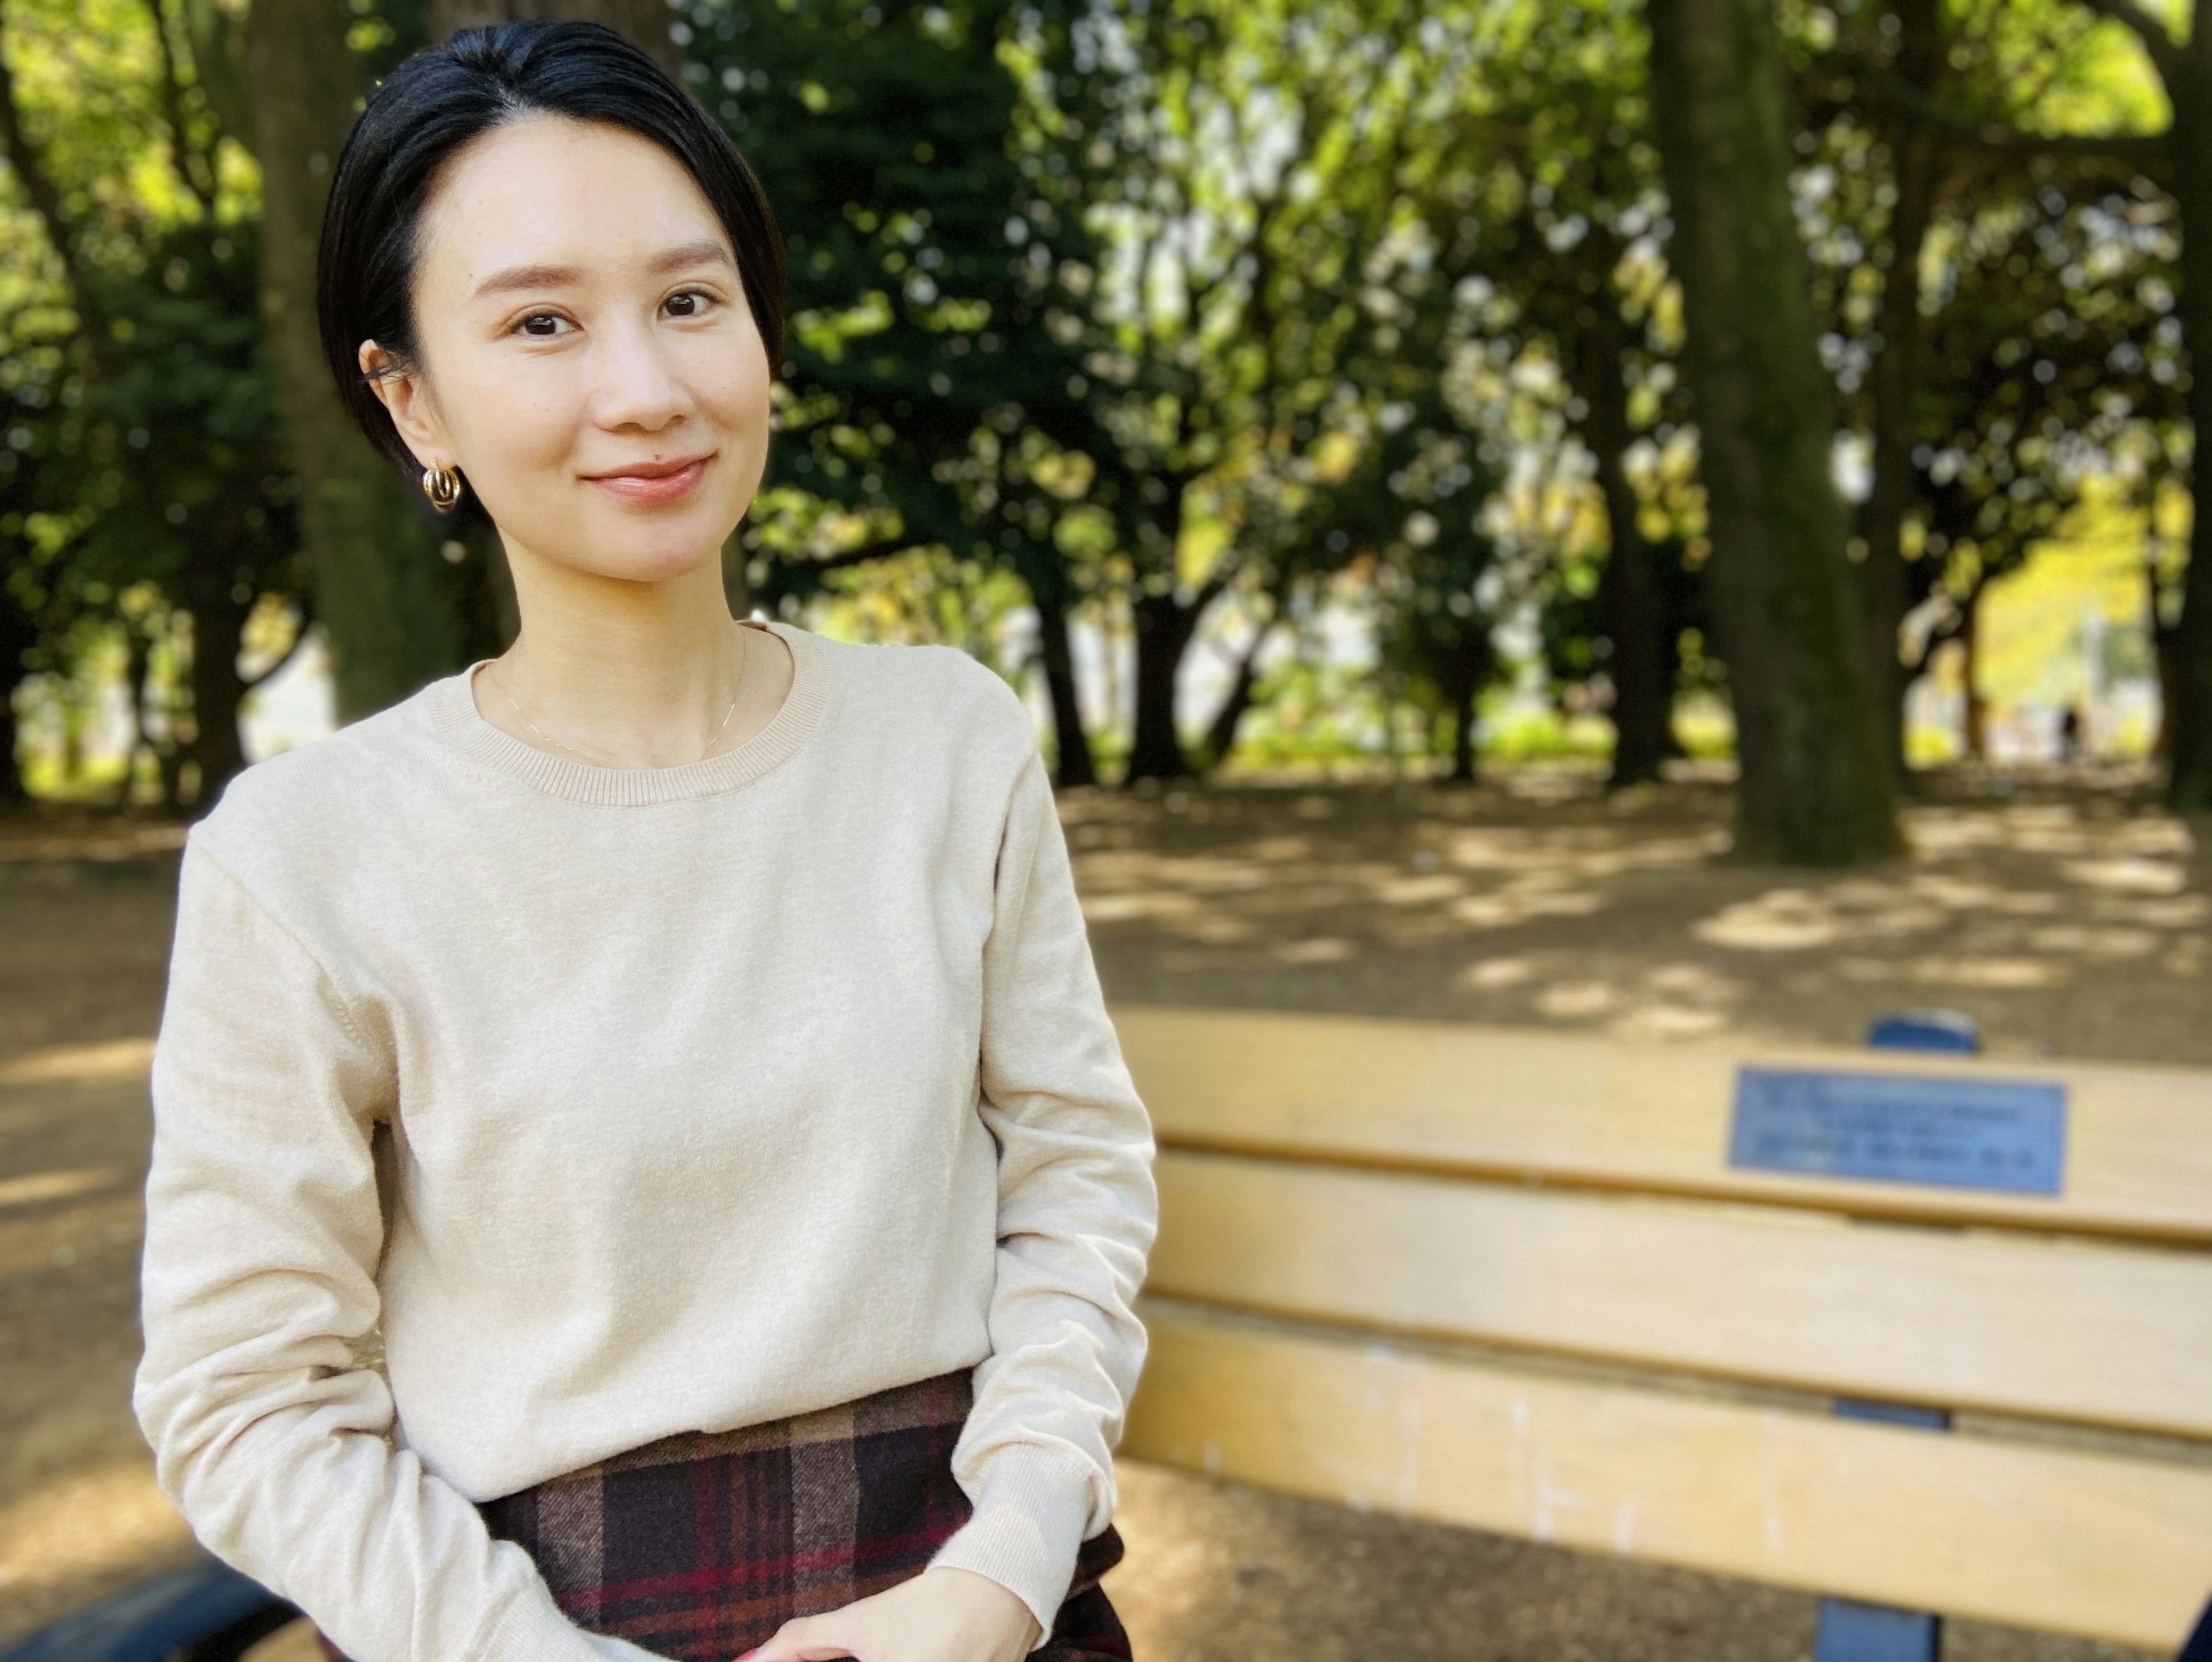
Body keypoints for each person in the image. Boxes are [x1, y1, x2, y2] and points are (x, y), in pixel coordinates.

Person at [131, 21, 1158, 1662]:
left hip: (967, 1592)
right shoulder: (306, 855)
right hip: (515, 1625)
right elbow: (247, 1396)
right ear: (411, 400)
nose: (648, 390)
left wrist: (1006, 1566)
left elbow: (1076, 1180)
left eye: (692, 300)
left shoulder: (945, 743)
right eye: (542, 322)